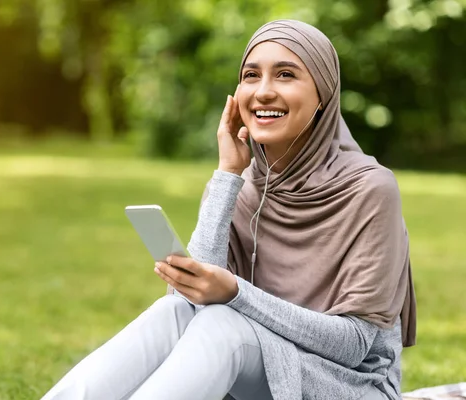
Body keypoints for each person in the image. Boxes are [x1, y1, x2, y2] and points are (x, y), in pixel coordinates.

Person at [41, 19, 417, 400]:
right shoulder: (239, 183)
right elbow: (189, 305)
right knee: (170, 313)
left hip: (349, 386)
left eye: (286, 75)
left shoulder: (370, 188)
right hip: (253, 369)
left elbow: (353, 345)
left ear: (324, 93)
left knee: (224, 324)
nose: (264, 92)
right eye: (251, 76)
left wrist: (236, 293)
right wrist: (227, 174)